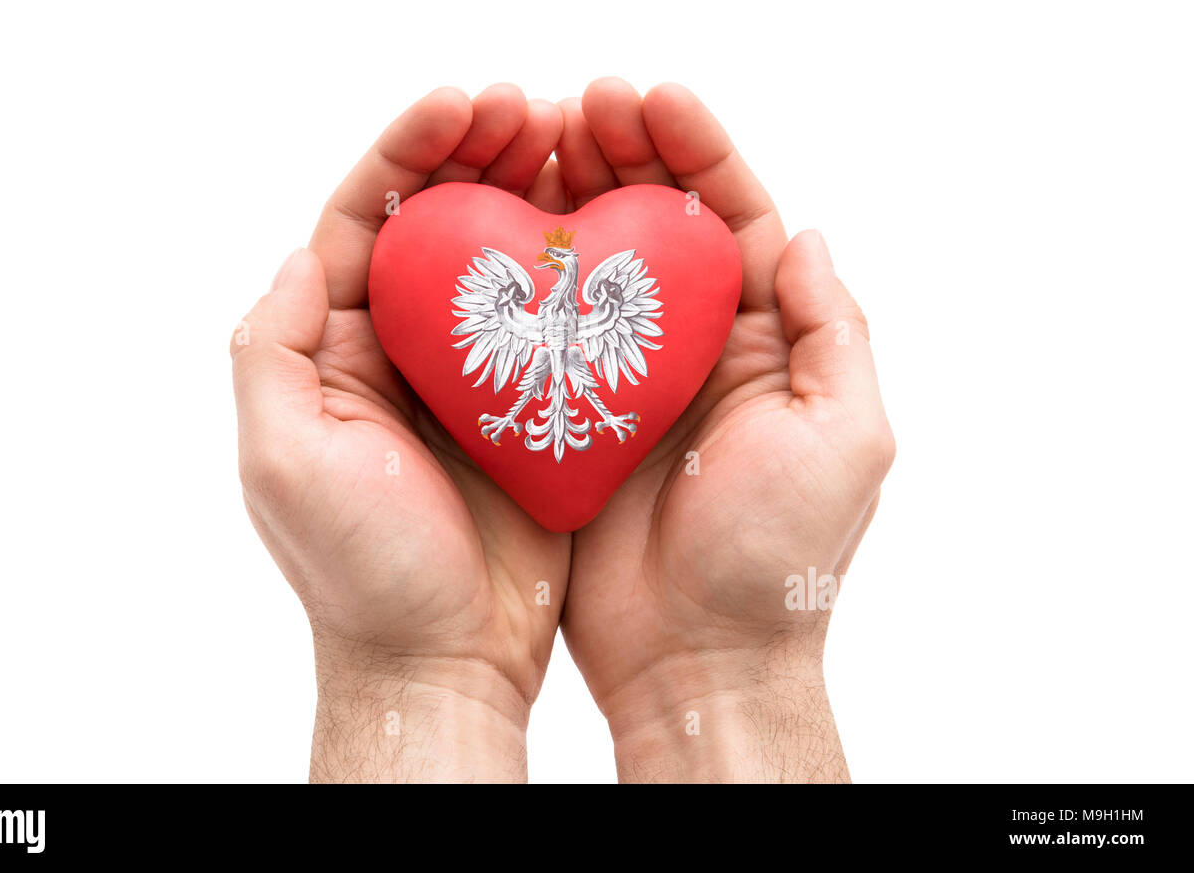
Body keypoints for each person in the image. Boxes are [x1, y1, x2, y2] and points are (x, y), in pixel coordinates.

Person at [229, 78, 895, 782]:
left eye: (560, 262)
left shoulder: (600, 303)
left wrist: (410, 676)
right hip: (536, 395)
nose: (553, 264)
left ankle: (579, 421)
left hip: (569, 396)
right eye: (551, 263)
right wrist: (730, 675)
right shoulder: (527, 305)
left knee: (569, 386)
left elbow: (588, 347)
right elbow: (527, 352)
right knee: (544, 387)